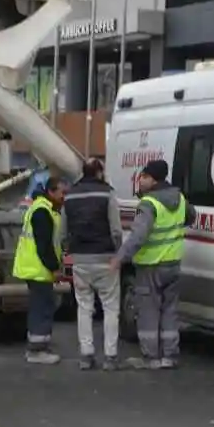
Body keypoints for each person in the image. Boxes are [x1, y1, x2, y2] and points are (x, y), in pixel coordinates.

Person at [110, 159, 191, 369]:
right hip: (172, 263)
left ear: (153, 179)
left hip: (150, 265)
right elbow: (191, 216)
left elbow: (138, 236)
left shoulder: (149, 204)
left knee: (148, 311)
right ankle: (170, 356)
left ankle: (151, 357)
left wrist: (120, 257)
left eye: (144, 176)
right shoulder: (179, 198)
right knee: (170, 311)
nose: (141, 180)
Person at [63, 156, 123, 370]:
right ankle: (110, 356)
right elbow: (116, 229)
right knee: (110, 307)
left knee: (84, 307)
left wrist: (68, 249)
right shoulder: (107, 193)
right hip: (105, 257)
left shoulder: (69, 195)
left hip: (80, 258)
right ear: (99, 172)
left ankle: (86, 355)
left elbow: (63, 230)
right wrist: (117, 252)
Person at [13, 171, 66, 365]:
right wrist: (54, 268)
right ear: (51, 192)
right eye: (62, 192)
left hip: (35, 267)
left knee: (43, 307)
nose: (64, 197)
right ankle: (36, 351)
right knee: (41, 309)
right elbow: (44, 245)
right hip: (38, 269)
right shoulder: (42, 211)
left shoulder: (44, 208)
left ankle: (40, 346)